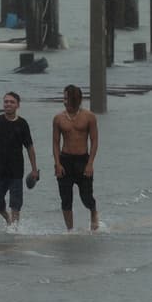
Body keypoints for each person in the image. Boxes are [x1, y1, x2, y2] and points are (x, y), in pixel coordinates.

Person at [0, 91, 39, 227]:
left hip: (16, 171)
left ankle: (15, 231)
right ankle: (8, 220)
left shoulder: (22, 124)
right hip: (0, 170)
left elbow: (30, 148)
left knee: (16, 204)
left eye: (11, 102)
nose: (8, 104)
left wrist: (34, 170)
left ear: (18, 105)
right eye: (6, 101)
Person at [52, 84, 99, 231]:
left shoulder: (89, 117)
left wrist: (90, 163)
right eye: (64, 98)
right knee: (66, 200)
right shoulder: (58, 118)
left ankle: (93, 211)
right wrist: (57, 163)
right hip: (65, 160)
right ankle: (70, 231)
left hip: (82, 161)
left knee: (86, 198)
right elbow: (55, 142)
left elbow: (94, 140)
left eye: (66, 98)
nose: (64, 101)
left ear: (75, 99)